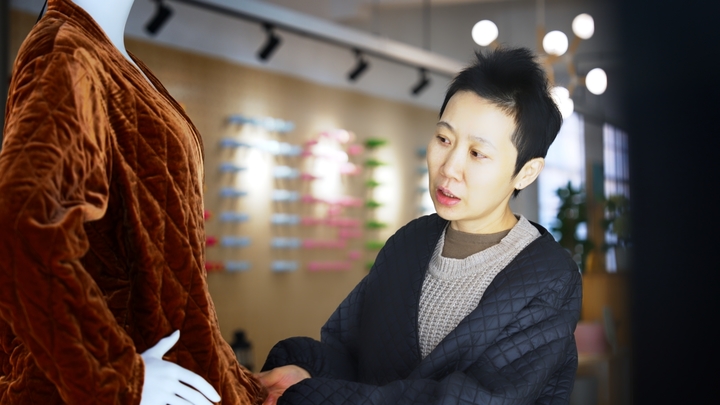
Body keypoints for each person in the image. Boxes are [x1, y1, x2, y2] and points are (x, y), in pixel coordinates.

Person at [257, 47, 582, 405]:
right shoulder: (409, 242)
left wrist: (311, 397)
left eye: (477, 153)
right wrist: (305, 372)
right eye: (444, 139)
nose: (449, 167)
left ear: (526, 172)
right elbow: (348, 354)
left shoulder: (549, 278)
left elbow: (477, 400)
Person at [0, 0, 265, 404]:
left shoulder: (111, 59)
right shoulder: (68, 53)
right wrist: (116, 374)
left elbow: (171, 281)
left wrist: (240, 381)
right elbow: (21, 228)